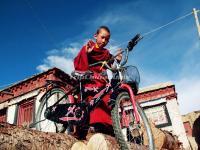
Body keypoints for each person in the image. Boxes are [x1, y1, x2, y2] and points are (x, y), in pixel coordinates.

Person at [73, 26, 122, 138]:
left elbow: (111, 66)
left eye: (107, 39)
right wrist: (86, 52)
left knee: (110, 93)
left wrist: (117, 60)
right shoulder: (89, 46)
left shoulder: (106, 53)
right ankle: (96, 124)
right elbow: (78, 60)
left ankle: (108, 126)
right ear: (96, 36)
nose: (104, 41)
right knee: (96, 92)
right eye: (102, 37)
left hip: (101, 79)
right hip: (89, 77)